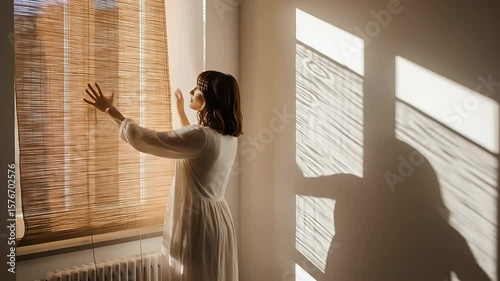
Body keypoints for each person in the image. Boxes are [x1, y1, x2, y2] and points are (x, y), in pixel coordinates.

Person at [84, 70, 243, 281]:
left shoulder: (201, 136)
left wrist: (110, 110)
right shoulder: (228, 139)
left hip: (198, 221)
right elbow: (191, 145)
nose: (191, 91)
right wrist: (179, 110)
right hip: (219, 220)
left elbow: (148, 139)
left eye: (197, 88)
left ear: (210, 97)